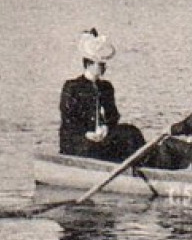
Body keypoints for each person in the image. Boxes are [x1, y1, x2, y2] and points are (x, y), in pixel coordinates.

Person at [58, 29, 147, 161]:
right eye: (100, 64)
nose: (103, 68)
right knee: (93, 148)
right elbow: (68, 119)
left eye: (104, 64)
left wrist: (106, 127)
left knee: (130, 132)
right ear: (88, 64)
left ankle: (143, 163)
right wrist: (86, 134)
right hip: (77, 139)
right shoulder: (72, 86)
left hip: (101, 136)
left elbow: (113, 115)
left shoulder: (106, 87)